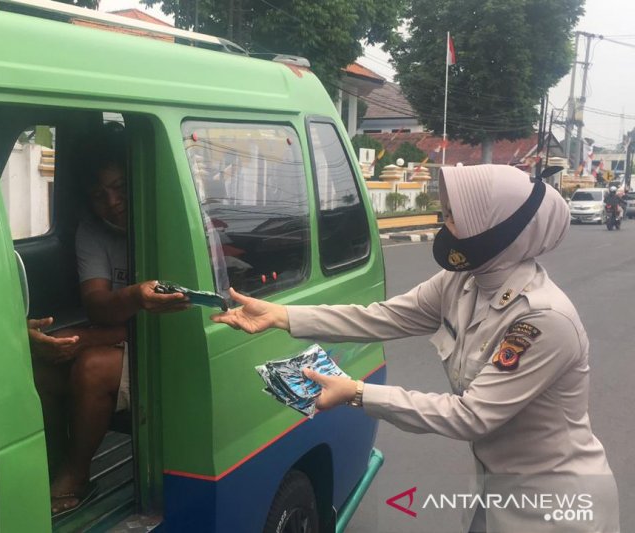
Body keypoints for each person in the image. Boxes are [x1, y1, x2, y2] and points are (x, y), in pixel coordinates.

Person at [212, 165, 619, 533]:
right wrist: (281, 315)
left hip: (556, 506)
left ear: (495, 227)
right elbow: (380, 317)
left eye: (455, 215)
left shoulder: (542, 320)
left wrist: (357, 393)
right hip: (494, 489)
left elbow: (472, 416)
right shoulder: (462, 282)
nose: (445, 223)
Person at [29, 155, 188, 517]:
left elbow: (170, 319)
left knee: (93, 367)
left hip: (169, 346)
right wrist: (132, 298)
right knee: (45, 364)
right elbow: (98, 306)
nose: (112, 202)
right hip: (123, 332)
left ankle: (77, 476)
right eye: (100, 195)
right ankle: (53, 465)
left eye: (119, 188)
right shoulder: (92, 231)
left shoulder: (167, 223)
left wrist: (89, 339)